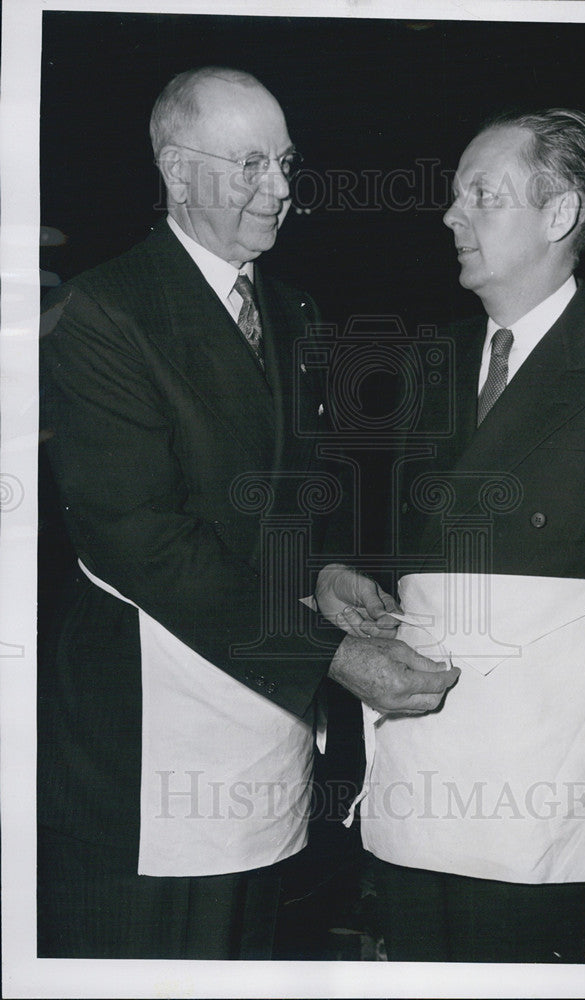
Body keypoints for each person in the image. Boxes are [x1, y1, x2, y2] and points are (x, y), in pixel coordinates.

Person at [37, 66, 457, 960]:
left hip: (263, 730)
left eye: (288, 164)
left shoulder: (294, 310)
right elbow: (141, 540)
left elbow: (288, 496)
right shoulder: (106, 311)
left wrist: (326, 572)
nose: (282, 191)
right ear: (176, 174)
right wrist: (336, 656)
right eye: (252, 166)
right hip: (151, 738)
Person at [353, 108, 585, 963]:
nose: (452, 216)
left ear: (559, 216)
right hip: (425, 785)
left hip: (559, 800)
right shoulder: (430, 366)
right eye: (454, 197)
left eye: (480, 195)